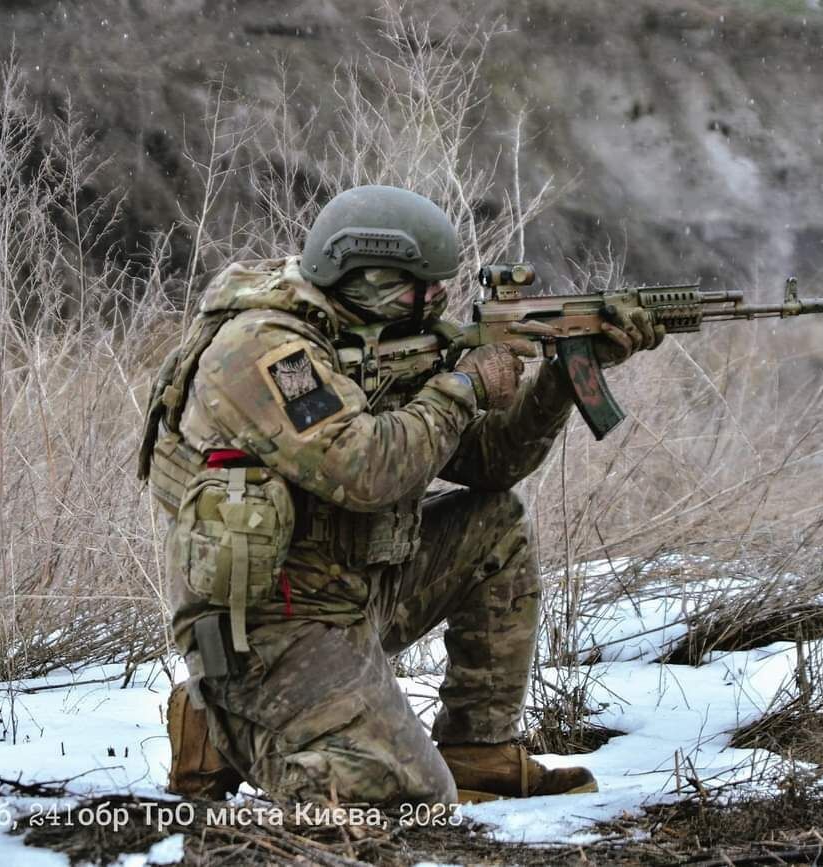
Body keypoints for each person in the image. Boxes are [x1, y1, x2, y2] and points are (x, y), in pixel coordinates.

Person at [140, 184, 664, 806]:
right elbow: (366, 472)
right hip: (268, 624)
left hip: (357, 592)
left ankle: (479, 750)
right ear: (363, 273)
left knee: (495, 524)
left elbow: (492, 466)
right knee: (401, 795)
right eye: (422, 286)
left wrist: (561, 374)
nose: (438, 298)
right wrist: (462, 387)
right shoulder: (264, 352)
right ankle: (222, 725)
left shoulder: (374, 338)